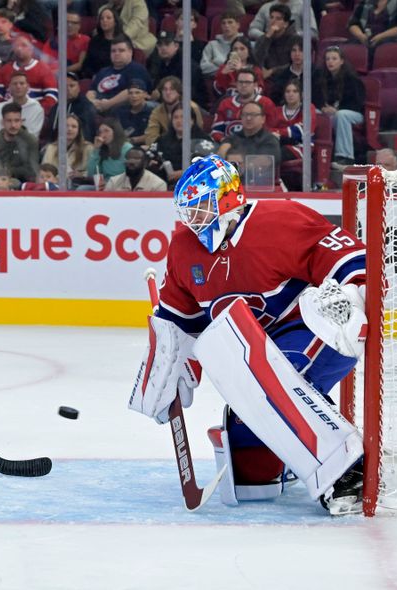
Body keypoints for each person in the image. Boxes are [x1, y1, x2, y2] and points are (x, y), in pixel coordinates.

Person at [128, 154, 367, 516]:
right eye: (187, 212)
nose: (193, 221)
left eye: (200, 208)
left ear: (228, 198)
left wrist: (348, 296)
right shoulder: (183, 249)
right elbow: (176, 325)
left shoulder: (280, 220)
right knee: (249, 470)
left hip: (313, 330)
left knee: (273, 377)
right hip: (256, 357)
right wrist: (166, 375)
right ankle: (289, 459)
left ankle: (348, 468)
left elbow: (353, 260)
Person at [312, 47, 365, 170]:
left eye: (334, 59)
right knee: (314, 113)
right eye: (327, 59)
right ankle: (314, 152)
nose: (330, 62)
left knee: (341, 115)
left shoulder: (352, 79)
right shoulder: (321, 79)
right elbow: (316, 98)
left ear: (341, 61)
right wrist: (322, 108)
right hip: (331, 114)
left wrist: (337, 110)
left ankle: (345, 157)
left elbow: (357, 103)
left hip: (354, 114)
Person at [0, 35, 58, 117]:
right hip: (8, 113)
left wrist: (38, 110)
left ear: (32, 48)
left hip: (34, 114)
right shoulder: (5, 69)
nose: (19, 48)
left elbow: (52, 97)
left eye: (24, 45)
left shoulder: (43, 69)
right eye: (17, 45)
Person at [219, 101, 283, 184]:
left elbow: (263, 162)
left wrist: (236, 164)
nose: (248, 118)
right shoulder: (232, 138)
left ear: (263, 119)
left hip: (261, 188)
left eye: (253, 115)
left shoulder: (270, 140)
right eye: (245, 115)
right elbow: (221, 153)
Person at [86, 36, 152, 115]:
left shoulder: (137, 69)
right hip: (99, 104)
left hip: (121, 106)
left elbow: (131, 92)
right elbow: (91, 91)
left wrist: (108, 103)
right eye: (113, 51)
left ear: (130, 52)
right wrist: (92, 102)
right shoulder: (103, 71)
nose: (116, 54)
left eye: (121, 50)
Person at [211, 67, 277, 144]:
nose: (243, 85)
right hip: (230, 147)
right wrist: (225, 142)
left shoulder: (266, 103)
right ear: (236, 84)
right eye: (240, 82)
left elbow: (271, 131)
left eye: (247, 82)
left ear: (255, 85)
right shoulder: (225, 103)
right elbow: (216, 131)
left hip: (257, 147)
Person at [154, 107, 215, 187]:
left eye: (183, 117)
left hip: (196, 184)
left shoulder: (203, 140)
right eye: (176, 117)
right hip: (164, 183)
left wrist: (184, 172)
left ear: (192, 120)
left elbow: (210, 165)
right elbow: (151, 155)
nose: (179, 121)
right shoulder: (163, 139)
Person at [0, 102, 40, 185]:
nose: (13, 125)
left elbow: (32, 171)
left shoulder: (30, 141)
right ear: (2, 122)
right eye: (9, 121)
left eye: (17, 121)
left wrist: (8, 171)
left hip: (20, 186)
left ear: (21, 121)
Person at [143, 76, 205, 146]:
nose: (168, 93)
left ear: (179, 92)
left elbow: (199, 131)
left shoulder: (192, 107)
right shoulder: (157, 111)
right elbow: (150, 137)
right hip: (166, 146)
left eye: (172, 89)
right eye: (164, 89)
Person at [348, 0, 397, 65]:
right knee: (349, 47)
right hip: (364, 38)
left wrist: (381, 36)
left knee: (381, 47)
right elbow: (352, 23)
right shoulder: (365, 2)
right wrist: (360, 35)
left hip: (388, 38)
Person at [42, 72, 98, 144]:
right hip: (55, 147)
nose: (68, 89)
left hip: (78, 148)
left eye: (72, 86)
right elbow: (50, 133)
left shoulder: (86, 107)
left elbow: (87, 135)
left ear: (78, 88)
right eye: (64, 86)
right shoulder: (55, 108)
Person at [41, 113, 94, 188]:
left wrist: (81, 175)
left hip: (78, 184)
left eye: (74, 126)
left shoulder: (88, 148)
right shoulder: (51, 148)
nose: (69, 129)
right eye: (66, 126)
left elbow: (93, 171)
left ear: (78, 130)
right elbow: (45, 170)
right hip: (55, 184)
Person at [270, 78, 316, 162]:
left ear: (301, 94)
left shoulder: (308, 107)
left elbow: (303, 130)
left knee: (271, 155)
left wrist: (279, 134)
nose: (291, 94)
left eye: (295, 91)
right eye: (288, 91)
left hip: (301, 147)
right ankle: (238, 175)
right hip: (278, 144)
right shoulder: (276, 110)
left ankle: (273, 176)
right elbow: (269, 130)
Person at [0, 72, 44, 137]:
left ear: (28, 87)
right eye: (15, 84)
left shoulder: (36, 109)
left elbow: (33, 136)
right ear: (9, 87)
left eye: (22, 83)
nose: (18, 86)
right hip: (2, 145)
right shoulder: (0, 108)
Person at [85, 118, 133, 189]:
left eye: (106, 131)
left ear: (116, 132)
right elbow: (91, 174)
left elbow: (131, 174)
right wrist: (96, 150)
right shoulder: (102, 150)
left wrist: (110, 184)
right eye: (100, 132)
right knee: (82, 189)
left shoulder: (127, 148)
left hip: (122, 186)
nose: (103, 135)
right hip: (105, 186)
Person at [253, 5, 298, 80]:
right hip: (265, 79)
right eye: (271, 17)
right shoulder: (263, 39)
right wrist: (267, 38)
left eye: (278, 19)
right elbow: (256, 60)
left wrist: (272, 71)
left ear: (286, 24)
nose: (273, 21)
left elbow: (296, 63)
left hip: (289, 79)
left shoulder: (295, 40)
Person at [80, 6, 123, 80]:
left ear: (115, 22)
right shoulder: (95, 41)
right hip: (96, 78)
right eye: (102, 18)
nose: (104, 20)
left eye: (108, 18)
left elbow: (127, 65)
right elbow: (87, 65)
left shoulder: (123, 41)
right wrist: (93, 75)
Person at [248, 0, 318, 40]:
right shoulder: (266, 7)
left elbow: (312, 32)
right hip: (268, 45)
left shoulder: (303, 6)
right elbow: (252, 30)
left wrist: (295, 35)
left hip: (293, 45)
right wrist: (266, 36)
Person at [200, 12, 242, 78]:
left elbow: (250, 66)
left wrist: (216, 62)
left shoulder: (245, 45)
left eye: (230, 22)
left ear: (238, 25)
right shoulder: (212, 45)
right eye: (223, 23)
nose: (226, 25)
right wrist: (224, 69)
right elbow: (203, 67)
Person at [113, 78, 152, 146]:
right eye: (130, 93)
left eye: (137, 92)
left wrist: (133, 140)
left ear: (145, 94)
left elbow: (154, 134)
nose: (134, 96)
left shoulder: (152, 112)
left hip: (143, 147)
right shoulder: (120, 111)